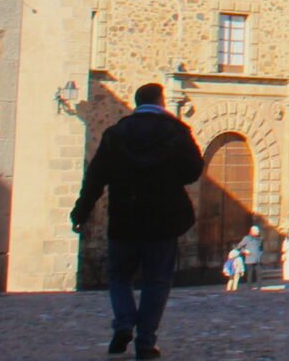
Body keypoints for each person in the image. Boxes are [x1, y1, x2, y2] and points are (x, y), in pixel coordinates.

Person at [70, 81, 204, 361]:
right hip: (162, 220)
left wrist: (81, 211)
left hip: (124, 217)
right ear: (161, 101)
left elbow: (95, 178)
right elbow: (193, 171)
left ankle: (124, 322)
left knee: (118, 276)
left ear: (136, 101)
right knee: (157, 281)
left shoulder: (115, 134)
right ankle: (145, 342)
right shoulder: (177, 132)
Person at [236, 224, 264, 290]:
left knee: (259, 273)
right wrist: (244, 251)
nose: (258, 231)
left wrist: (260, 254)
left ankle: (259, 287)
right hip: (249, 259)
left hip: (257, 260)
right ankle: (249, 287)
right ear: (252, 231)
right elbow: (239, 247)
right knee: (250, 274)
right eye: (257, 230)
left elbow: (261, 248)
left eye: (258, 230)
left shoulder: (259, 239)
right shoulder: (247, 238)